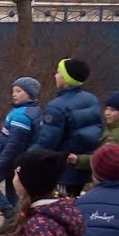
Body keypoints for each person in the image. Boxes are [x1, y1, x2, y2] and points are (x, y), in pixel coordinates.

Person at [31, 57, 104, 197]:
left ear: (66, 78)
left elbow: (47, 142)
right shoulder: (92, 100)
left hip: (61, 170)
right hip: (81, 169)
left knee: (57, 204)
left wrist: (26, 157)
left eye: (58, 72)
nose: (55, 75)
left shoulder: (56, 106)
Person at [0, 76, 41, 235]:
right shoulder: (21, 111)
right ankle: (17, 223)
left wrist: (0, 162)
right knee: (11, 191)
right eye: (14, 90)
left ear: (29, 94)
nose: (14, 94)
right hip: (14, 160)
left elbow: (14, 145)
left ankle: (10, 215)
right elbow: (3, 130)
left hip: (9, 160)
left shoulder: (22, 116)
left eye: (19, 91)